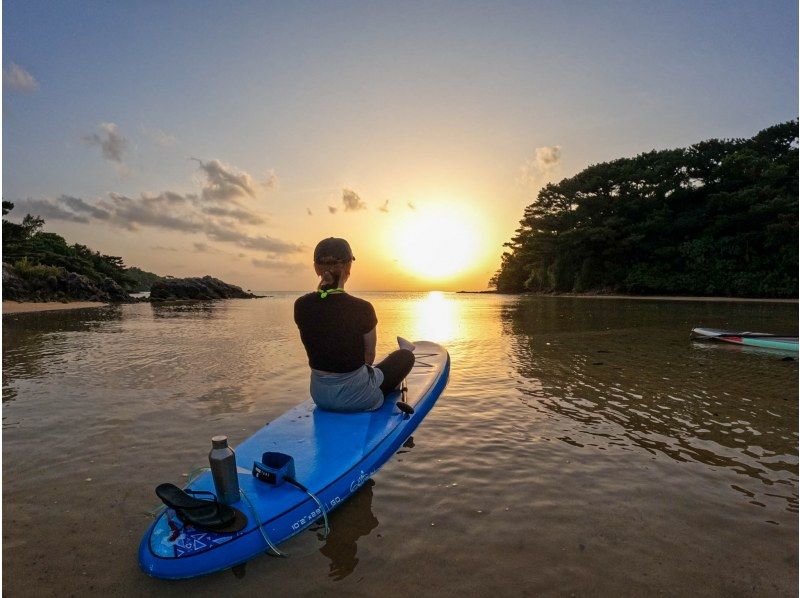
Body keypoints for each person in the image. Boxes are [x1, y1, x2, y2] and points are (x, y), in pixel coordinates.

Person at [294, 237, 415, 412]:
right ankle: (404, 352)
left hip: (320, 396)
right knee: (405, 357)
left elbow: (323, 328)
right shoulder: (362, 308)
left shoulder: (301, 305)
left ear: (316, 268)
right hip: (357, 398)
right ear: (348, 267)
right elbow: (369, 356)